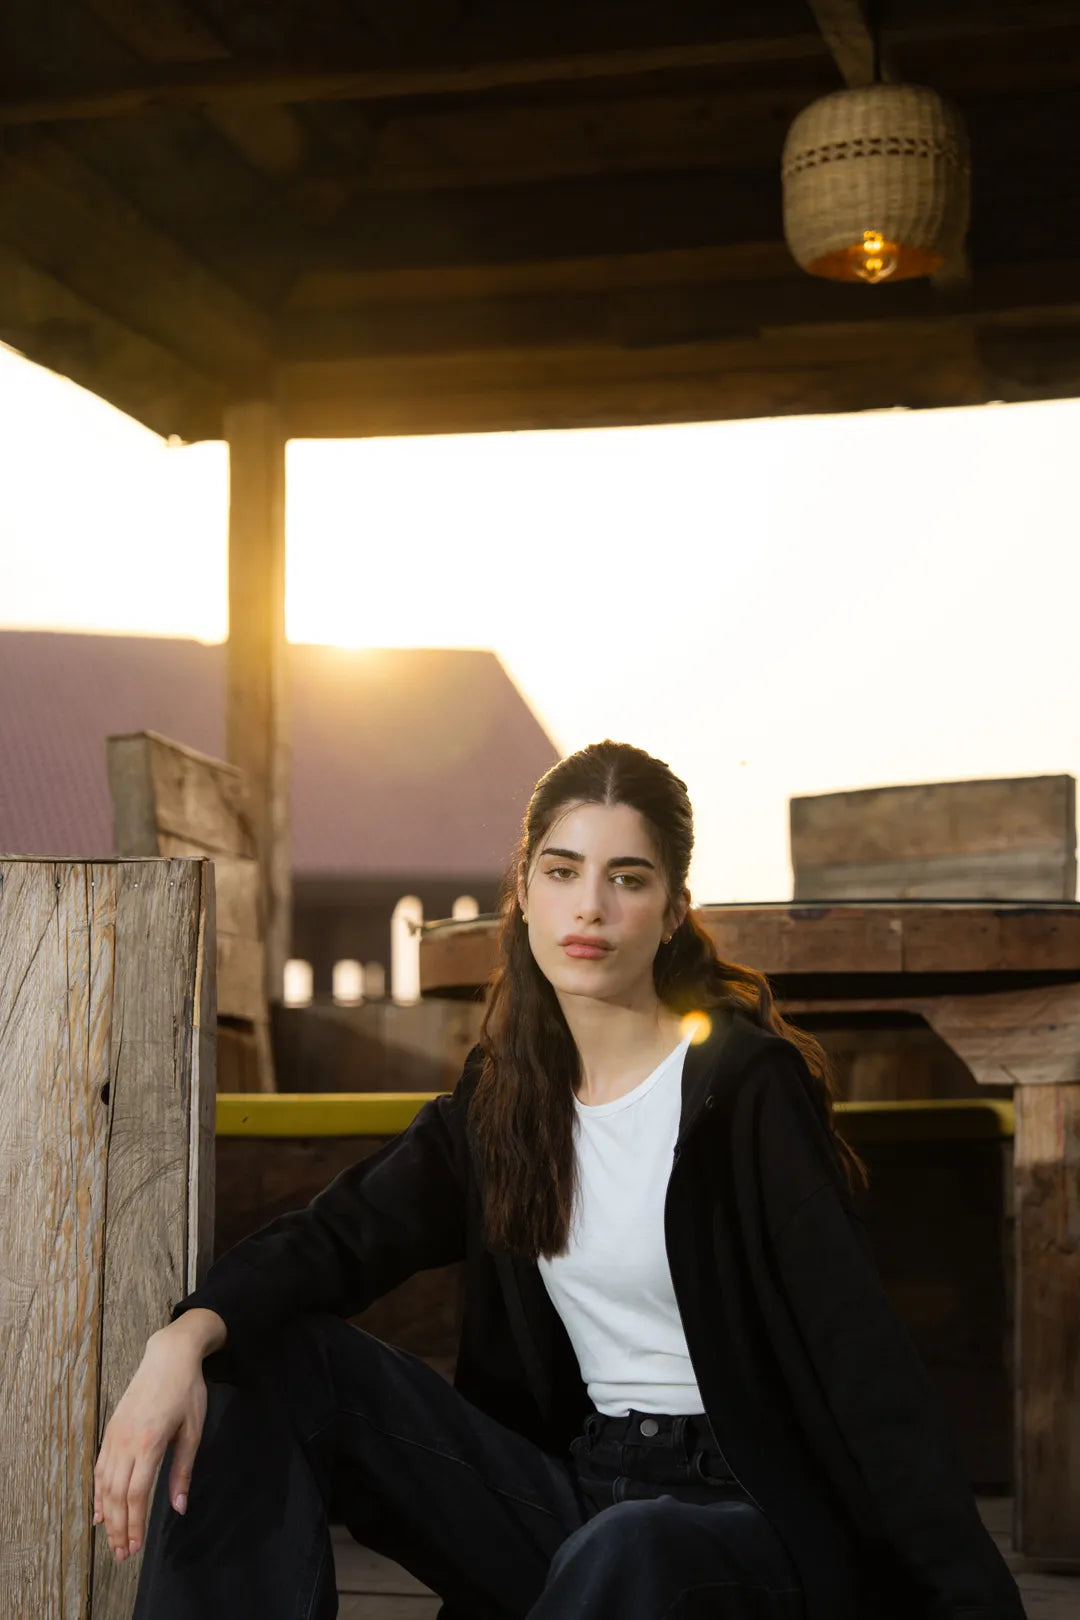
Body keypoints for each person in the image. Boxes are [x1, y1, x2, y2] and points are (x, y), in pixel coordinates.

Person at [94, 740, 1027, 1620]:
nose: (590, 906)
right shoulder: (508, 1097)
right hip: (578, 1489)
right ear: (526, 895)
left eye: (627, 879)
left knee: (632, 1549)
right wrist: (182, 1338)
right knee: (272, 1363)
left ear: (671, 913)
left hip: (746, 1521)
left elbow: (864, 1366)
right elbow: (341, 1236)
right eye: (563, 870)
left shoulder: (743, 1093)